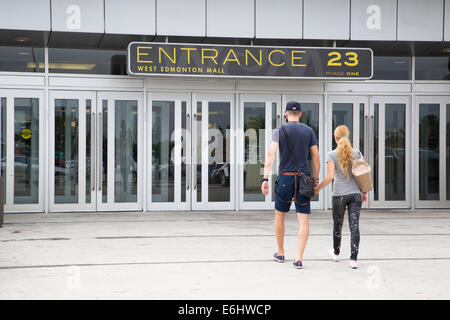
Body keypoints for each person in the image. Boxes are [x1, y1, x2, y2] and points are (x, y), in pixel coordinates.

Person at [261, 101, 320, 269]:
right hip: (303, 178)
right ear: (300, 114)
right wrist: (315, 181)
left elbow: (271, 155)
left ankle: (280, 253)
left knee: (280, 216)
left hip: (285, 179)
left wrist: (265, 179)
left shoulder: (279, 130)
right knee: (303, 219)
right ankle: (299, 258)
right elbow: (316, 158)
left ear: (286, 114)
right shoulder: (308, 131)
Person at [314, 125, 367, 269]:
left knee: (337, 224)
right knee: (354, 226)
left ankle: (336, 253)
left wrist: (317, 188)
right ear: (347, 136)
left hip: (339, 195)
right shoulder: (357, 153)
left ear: (335, 137)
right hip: (355, 194)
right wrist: (364, 192)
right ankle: (353, 259)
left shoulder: (331, 154)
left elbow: (330, 176)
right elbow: (363, 174)